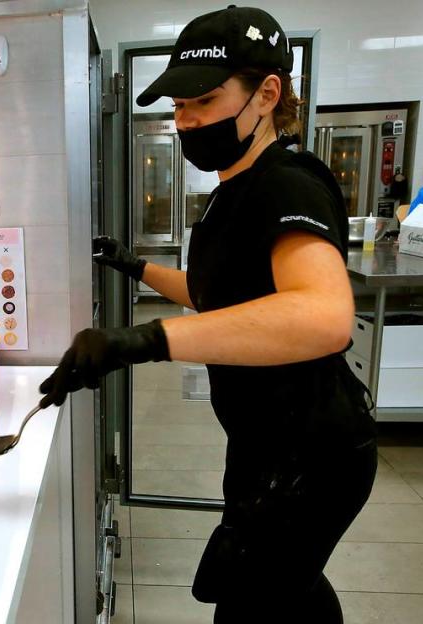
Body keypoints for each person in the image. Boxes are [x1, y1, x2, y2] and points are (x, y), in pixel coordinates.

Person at [38, 6, 377, 624]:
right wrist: (131, 267)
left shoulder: (289, 184)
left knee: (255, 601)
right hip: (265, 445)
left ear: (267, 93)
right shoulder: (236, 190)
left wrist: (142, 340)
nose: (186, 120)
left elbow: (324, 315)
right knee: (286, 589)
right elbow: (219, 298)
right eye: (178, 106)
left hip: (311, 453)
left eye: (204, 101)